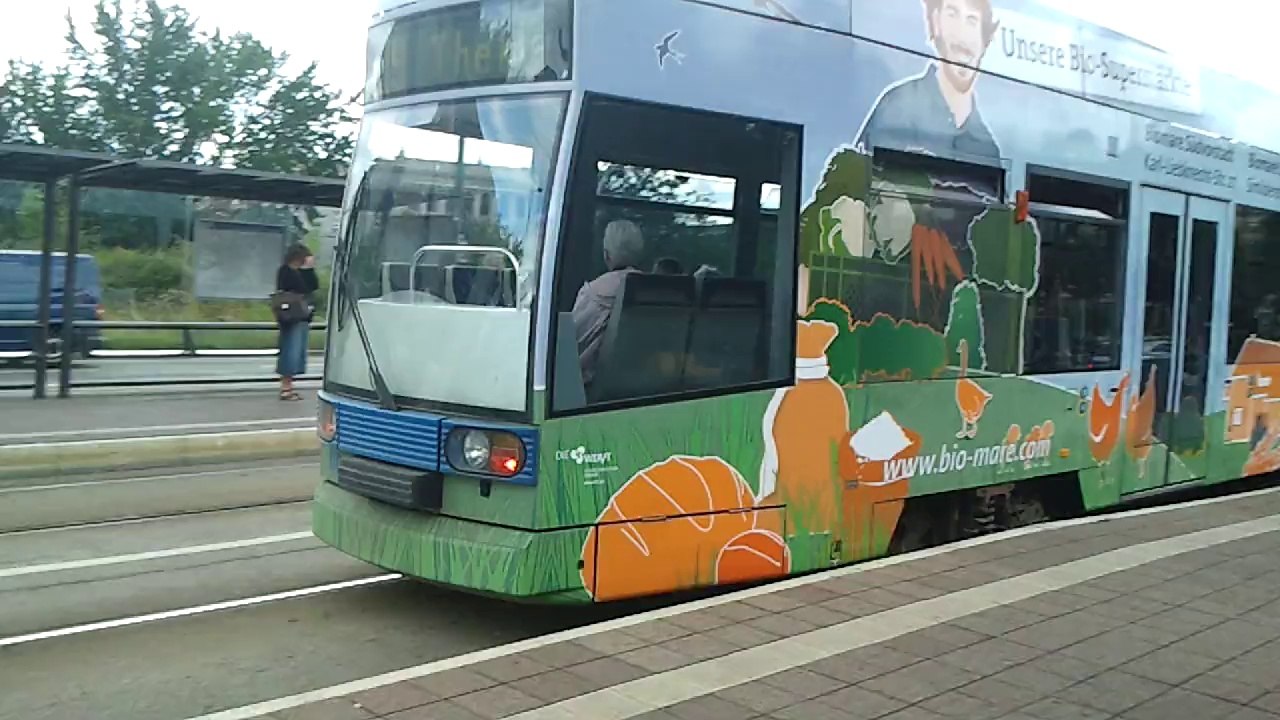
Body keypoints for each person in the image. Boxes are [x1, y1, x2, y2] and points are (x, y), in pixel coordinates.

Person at [855, 0, 1002, 161]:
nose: (962, 33)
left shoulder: (987, 147)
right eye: (952, 14)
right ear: (936, 22)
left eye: (972, 20)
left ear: (984, 40)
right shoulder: (899, 107)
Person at [571, 219, 645, 386]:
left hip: (595, 394)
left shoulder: (592, 294)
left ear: (606, 254)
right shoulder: (656, 291)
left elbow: (569, 353)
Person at [275, 243, 319, 401]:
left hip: (301, 317)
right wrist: (306, 271)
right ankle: (286, 388)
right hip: (291, 318)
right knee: (290, 351)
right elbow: (301, 289)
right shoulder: (286, 271)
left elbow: (314, 286)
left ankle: (289, 386)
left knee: (296, 352)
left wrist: (309, 271)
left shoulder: (299, 271)